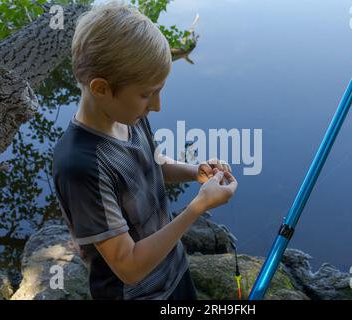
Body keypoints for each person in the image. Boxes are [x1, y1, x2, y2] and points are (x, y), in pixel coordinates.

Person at [52, 1, 238, 300]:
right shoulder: (80, 165)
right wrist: (198, 207)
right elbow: (129, 267)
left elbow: (152, 163)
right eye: (146, 94)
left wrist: (196, 172)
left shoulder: (129, 117)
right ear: (100, 88)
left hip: (174, 272)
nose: (157, 106)